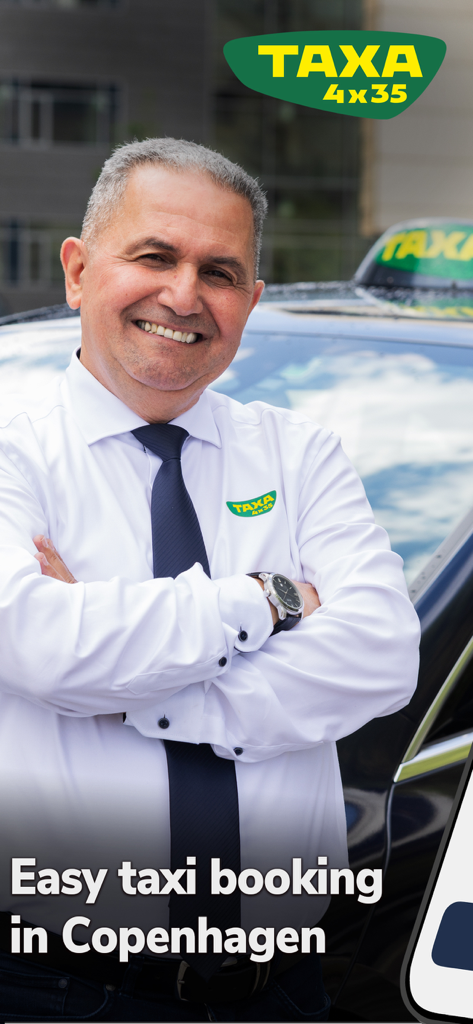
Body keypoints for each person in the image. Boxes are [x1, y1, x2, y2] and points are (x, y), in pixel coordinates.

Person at [0, 138, 420, 1022]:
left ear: (251, 300)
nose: (184, 295)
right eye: (153, 256)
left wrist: (133, 692)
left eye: (219, 271)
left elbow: (382, 656)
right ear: (78, 271)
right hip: (54, 987)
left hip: (282, 987)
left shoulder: (299, 455)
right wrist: (265, 600)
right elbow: (40, 644)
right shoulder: (11, 451)